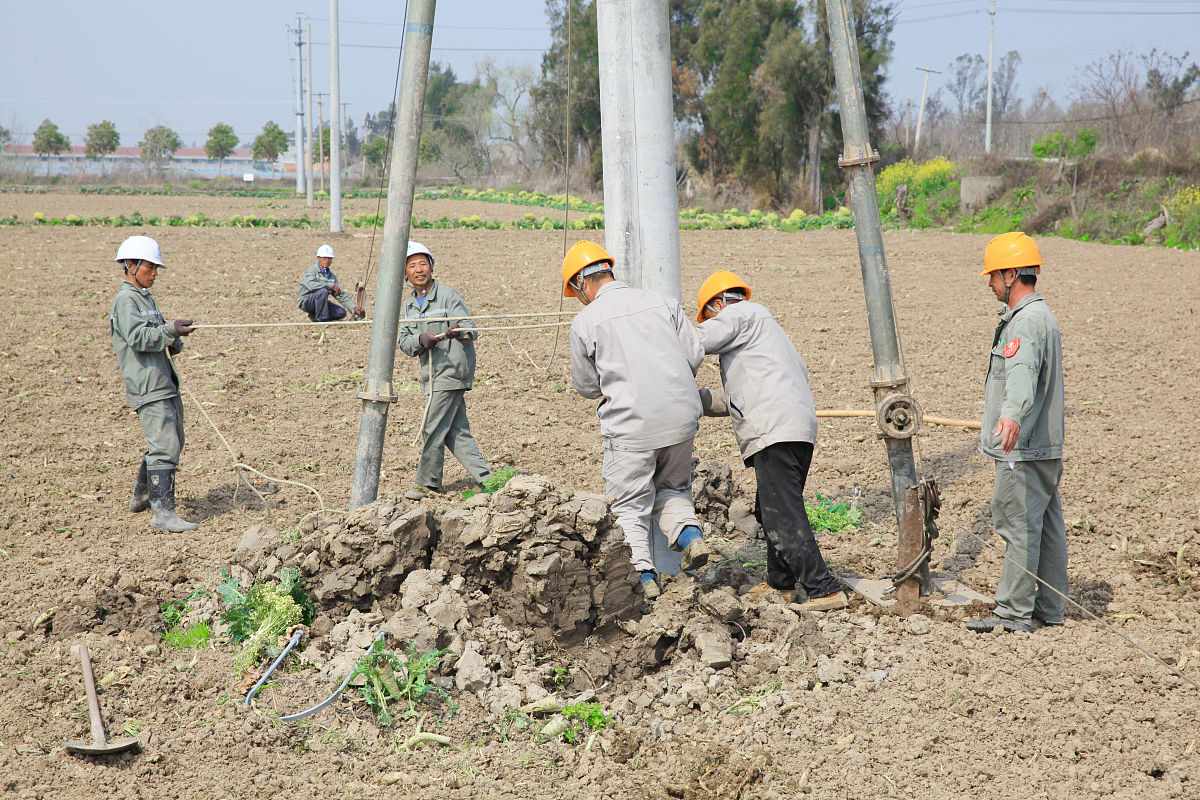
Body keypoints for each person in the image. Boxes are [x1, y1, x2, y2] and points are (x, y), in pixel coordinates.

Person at [564, 240, 711, 599]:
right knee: (673, 488)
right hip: (682, 419)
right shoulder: (663, 302)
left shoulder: (585, 321)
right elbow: (694, 355)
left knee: (629, 504)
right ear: (608, 270)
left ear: (582, 282)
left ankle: (644, 579)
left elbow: (587, 386)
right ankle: (691, 538)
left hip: (631, 426)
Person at [695, 270, 847, 611]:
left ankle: (824, 589)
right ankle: (781, 584)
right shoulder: (765, 338)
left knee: (783, 514)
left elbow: (695, 342)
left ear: (718, 304)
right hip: (793, 428)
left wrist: (660, 343)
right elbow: (733, 399)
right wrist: (692, 398)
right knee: (771, 509)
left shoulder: (742, 312)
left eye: (709, 317)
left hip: (774, 430)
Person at [967, 232, 1066, 633]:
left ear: (1011, 275)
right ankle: (1050, 609)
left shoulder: (1023, 322)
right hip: (1044, 445)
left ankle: (1013, 612)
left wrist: (1011, 417)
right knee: (1047, 527)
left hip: (1022, 448)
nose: (989, 283)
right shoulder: (1043, 315)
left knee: (1018, 525)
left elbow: (1021, 374)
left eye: (993, 275)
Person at [109, 235, 198, 532]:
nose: (155, 273)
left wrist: (175, 337)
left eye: (156, 267)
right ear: (131, 266)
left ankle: (142, 495)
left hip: (164, 380)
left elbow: (157, 334)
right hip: (147, 384)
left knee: (173, 441)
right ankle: (163, 513)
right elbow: (137, 338)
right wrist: (170, 330)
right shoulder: (125, 301)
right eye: (150, 266)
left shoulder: (145, 299)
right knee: (164, 446)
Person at [396, 241, 492, 500]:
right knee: (455, 432)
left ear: (431, 267)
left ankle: (427, 483)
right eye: (412, 266)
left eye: (423, 264)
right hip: (433, 374)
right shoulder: (408, 307)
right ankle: (488, 479)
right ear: (405, 274)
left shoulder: (449, 296)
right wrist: (421, 340)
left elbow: (470, 329)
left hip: (451, 371)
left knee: (433, 427)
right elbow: (403, 341)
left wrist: (456, 331)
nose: (418, 270)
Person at [297, 244, 364, 322]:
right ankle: (322, 319)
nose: (327, 260)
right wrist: (331, 285)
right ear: (319, 258)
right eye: (324, 258)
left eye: (329, 258)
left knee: (341, 313)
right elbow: (311, 285)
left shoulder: (331, 276)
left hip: (320, 304)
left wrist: (353, 307)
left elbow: (340, 294)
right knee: (323, 291)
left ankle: (315, 316)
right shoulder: (311, 271)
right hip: (306, 302)